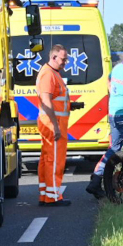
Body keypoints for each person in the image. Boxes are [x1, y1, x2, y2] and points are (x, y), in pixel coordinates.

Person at [86, 45, 123, 199]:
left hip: (113, 113)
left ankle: (96, 179)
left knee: (115, 148)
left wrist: (115, 96)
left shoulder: (118, 67)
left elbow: (109, 81)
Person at [37, 44, 72, 207]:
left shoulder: (52, 73)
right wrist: (55, 126)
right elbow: (46, 101)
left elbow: (55, 100)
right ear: (53, 57)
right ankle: (52, 197)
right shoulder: (49, 74)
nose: (65, 62)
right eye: (63, 59)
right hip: (53, 124)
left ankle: (46, 195)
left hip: (52, 122)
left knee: (47, 159)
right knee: (54, 160)